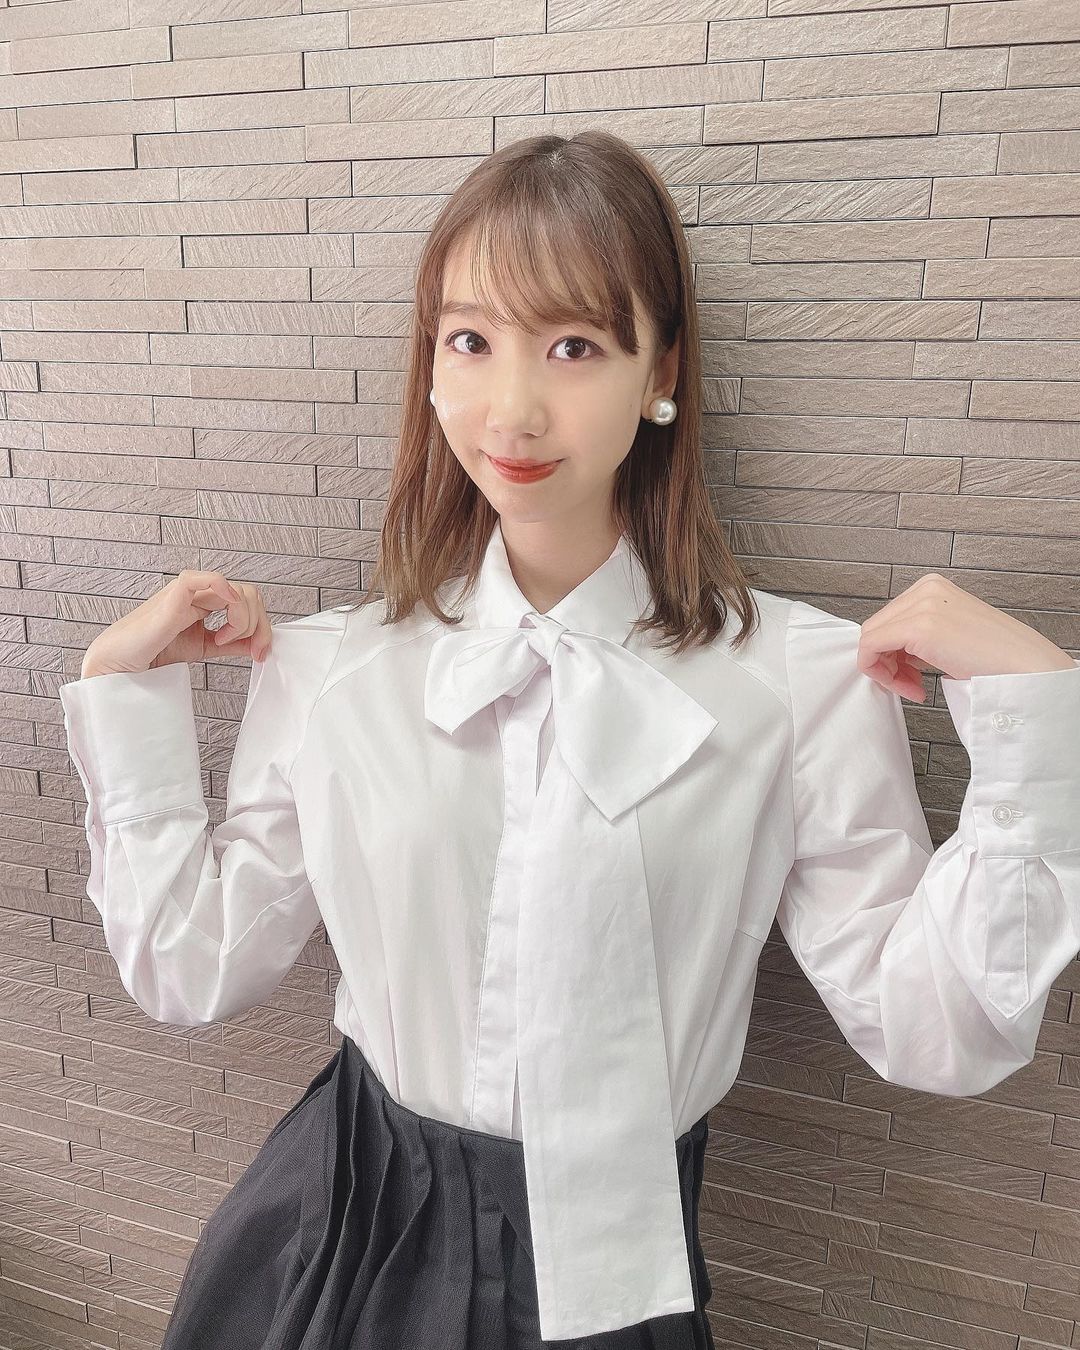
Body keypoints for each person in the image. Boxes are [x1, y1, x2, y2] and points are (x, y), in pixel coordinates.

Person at [58, 131, 1080, 1350]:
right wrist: (123, 696)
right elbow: (189, 969)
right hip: (345, 1238)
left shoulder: (796, 683)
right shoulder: (333, 670)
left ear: (662, 372)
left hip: (616, 1277)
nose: (514, 408)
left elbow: (939, 1031)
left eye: (576, 346)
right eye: (470, 341)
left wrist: (1034, 730)